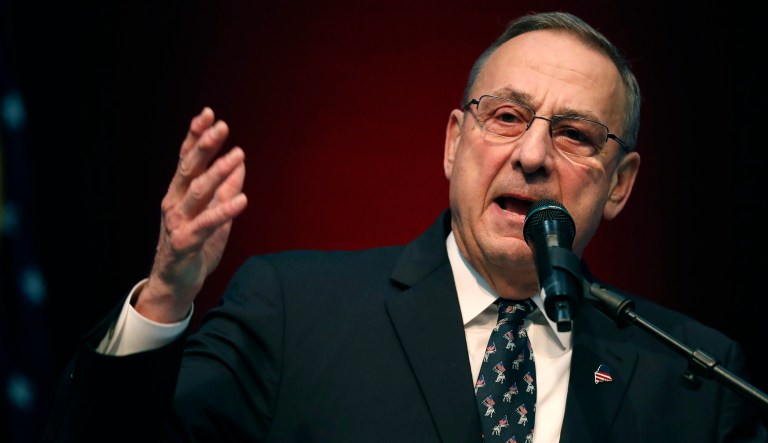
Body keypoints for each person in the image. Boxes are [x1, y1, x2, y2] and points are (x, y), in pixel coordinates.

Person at [42, 11, 767, 443]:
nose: (534, 154)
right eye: (507, 117)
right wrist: (166, 296)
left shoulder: (696, 375)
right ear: (455, 141)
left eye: (576, 133)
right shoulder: (294, 311)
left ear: (621, 184)